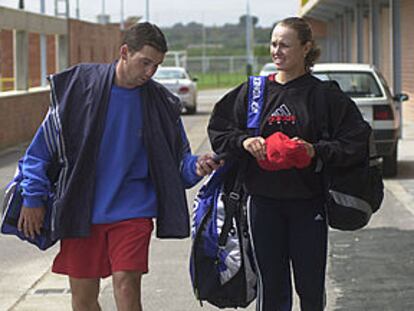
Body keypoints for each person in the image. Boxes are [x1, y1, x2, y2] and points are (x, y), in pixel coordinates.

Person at [17, 22, 220, 311]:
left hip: (133, 211)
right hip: (81, 208)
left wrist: (197, 166)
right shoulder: (80, 89)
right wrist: (33, 197)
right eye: (145, 63)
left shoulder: (161, 103)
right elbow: (40, 151)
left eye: (156, 66)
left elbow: (178, 164)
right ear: (124, 52)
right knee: (84, 300)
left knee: (126, 286)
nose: (150, 73)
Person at [208, 17, 371, 311]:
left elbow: (357, 141)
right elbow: (220, 131)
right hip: (262, 205)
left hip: (308, 205)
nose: (276, 51)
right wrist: (245, 142)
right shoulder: (254, 92)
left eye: (284, 45)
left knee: (309, 287)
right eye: (273, 44)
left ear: (306, 48)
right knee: (272, 287)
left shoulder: (323, 95)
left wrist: (315, 151)